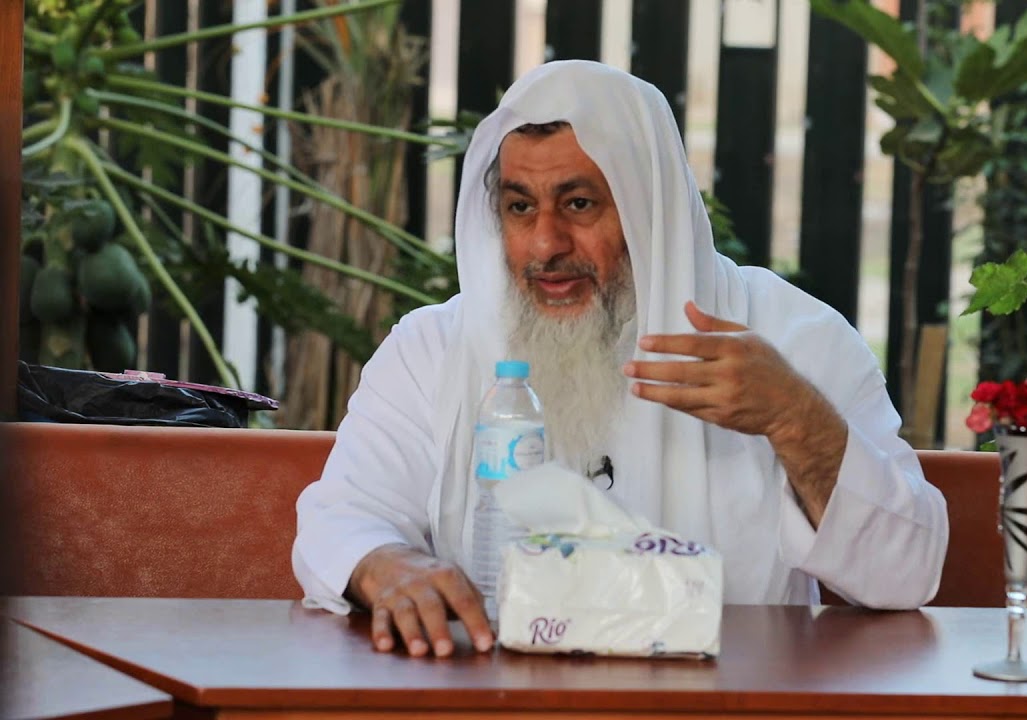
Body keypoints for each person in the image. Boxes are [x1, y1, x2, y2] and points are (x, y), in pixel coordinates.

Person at [293, 60, 948, 658]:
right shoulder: (433, 349)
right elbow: (343, 517)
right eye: (520, 207)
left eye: (579, 204)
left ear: (646, 207)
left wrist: (795, 420)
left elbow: (905, 572)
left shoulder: (791, 337)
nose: (545, 244)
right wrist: (384, 563)